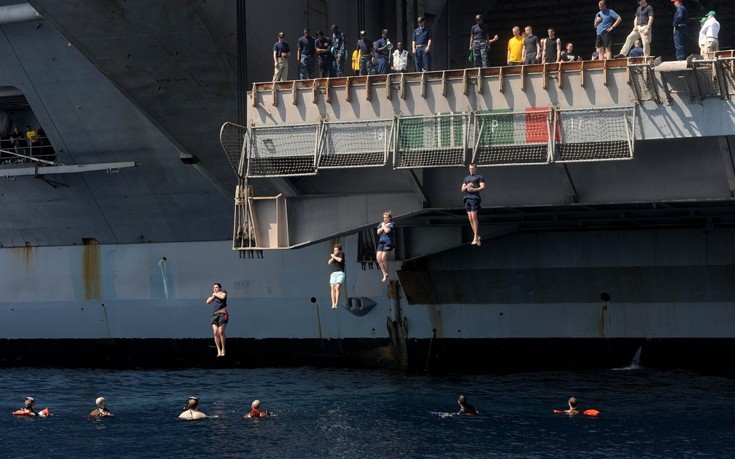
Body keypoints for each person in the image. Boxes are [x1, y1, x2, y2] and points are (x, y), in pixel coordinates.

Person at [461, 163, 486, 246]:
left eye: (472, 168)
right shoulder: (466, 178)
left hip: (474, 198)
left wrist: (474, 189)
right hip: (467, 198)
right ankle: (477, 235)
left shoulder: (479, 177)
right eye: (470, 168)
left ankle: (475, 236)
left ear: (476, 169)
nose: (471, 170)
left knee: (473, 215)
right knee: (470, 217)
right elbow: (462, 189)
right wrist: (468, 185)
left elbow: (483, 187)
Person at [206, 282, 228, 357]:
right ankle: (218, 350)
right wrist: (213, 296)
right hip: (215, 315)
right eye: (214, 287)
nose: (215, 289)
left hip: (223, 314)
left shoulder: (223, 292)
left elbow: (222, 297)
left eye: (216, 287)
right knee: (215, 332)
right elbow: (207, 302)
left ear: (220, 288)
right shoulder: (213, 296)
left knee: (221, 331)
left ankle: (223, 349)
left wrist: (215, 294)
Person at [376, 211, 395, 282]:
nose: (385, 219)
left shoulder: (392, 224)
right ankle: (384, 273)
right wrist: (383, 226)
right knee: (378, 258)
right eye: (384, 218)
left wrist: (383, 226)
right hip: (381, 242)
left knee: (383, 258)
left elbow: (387, 231)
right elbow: (378, 232)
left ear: (390, 218)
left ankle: (386, 273)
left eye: (386, 218)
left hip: (388, 242)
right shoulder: (381, 224)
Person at [328, 243, 345, 309]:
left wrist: (334, 256)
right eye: (334, 250)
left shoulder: (341, 254)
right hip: (334, 273)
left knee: (337, 287)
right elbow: (329, 262)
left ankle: (336, 303)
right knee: (332, 288)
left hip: (340, 273)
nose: (335, 251)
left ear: (339, 250)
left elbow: (340, 260)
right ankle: (333, 303)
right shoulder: (334, 256)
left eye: (336, 250)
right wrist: (333, 257)